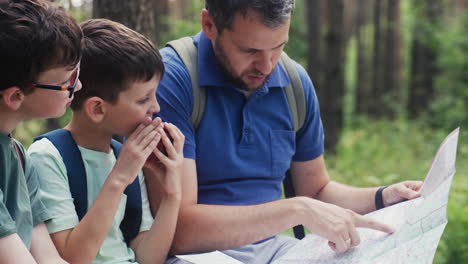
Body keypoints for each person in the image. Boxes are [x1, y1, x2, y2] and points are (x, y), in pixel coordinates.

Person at [152, 0, 423, 263]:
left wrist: (383, 197)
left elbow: (316, 190)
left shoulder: (294, 83)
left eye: (278, 47)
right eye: (250, 51)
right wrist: (296, 209)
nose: (267, 66)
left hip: (274, 249)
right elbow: (178, 231)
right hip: (195, 256)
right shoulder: (171, 81)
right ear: (210, 25)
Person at [28, 19, 185, 264]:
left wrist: (172, 193)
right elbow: (72, 257)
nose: (156, 107)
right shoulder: (47, 156)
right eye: (144, 99)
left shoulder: (124, 156)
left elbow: (147, 256)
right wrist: (120, 177)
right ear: (98, 109)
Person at [0, 0, 83, 262]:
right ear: (15, 96)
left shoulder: (19, 156)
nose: (78, 86)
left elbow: (48, 257)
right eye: (66, 81)